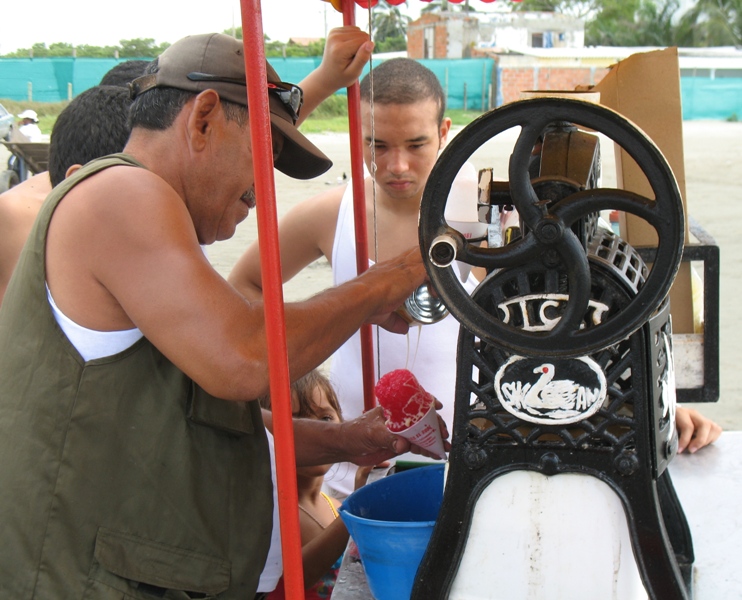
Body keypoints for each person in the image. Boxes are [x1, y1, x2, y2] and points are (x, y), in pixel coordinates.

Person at [0, 32, 446, 598]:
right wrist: (393, 275)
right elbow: (247, 361)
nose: (265, 186)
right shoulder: (120, 192)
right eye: (264, 155)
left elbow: (217, 420)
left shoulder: (157, 240)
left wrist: (348, 440)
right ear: (204, 118)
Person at [228, 58, 722, 500]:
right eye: (377, 145)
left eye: (416, 144)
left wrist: (654, 403)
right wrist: (291, 375)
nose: (395, 165)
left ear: (446, 132)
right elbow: (245, 285)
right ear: (358, 138)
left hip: (473, 456)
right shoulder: (326, 216)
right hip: (355, 463)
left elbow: (581, 320)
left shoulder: (495, 217)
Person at [260, 369, 370, 599]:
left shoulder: (332, 504)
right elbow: (297, 577)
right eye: (297, 421)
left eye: (326, 419)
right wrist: (356, 506)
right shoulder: (269, 511)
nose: (318, 431)